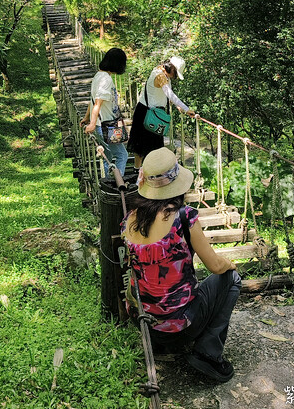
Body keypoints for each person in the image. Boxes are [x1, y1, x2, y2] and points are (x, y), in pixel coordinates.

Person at [122, 147, 241, 383]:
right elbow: (216, 266)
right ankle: (208, 353)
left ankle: (164, 345)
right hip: (180, 326)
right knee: (231, 279)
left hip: (145, 323)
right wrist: (230, 264)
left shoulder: (129, 219)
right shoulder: (183, 217)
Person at [127, 56, 196, 169]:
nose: (174, 77)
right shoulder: (160, 76)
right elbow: (169, 93)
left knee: (152, 146)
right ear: (171, 68)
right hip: (147, 113)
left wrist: (178, 106)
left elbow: (166, 94)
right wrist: (186, 108)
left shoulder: (162, 73)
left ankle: (146, 172)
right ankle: (139, 173)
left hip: (155, 113)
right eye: (175, 73)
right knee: (141, 145)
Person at [81, 47, 128, 175]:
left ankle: (107, 181)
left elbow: (93, 101)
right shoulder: (106, 80)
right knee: (122, 155)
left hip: (101, 125)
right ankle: (119, 185)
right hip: (106, 126)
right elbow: (97, 103)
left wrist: (87, 118)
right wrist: (91, 123)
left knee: (107, 155)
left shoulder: (98, 75)